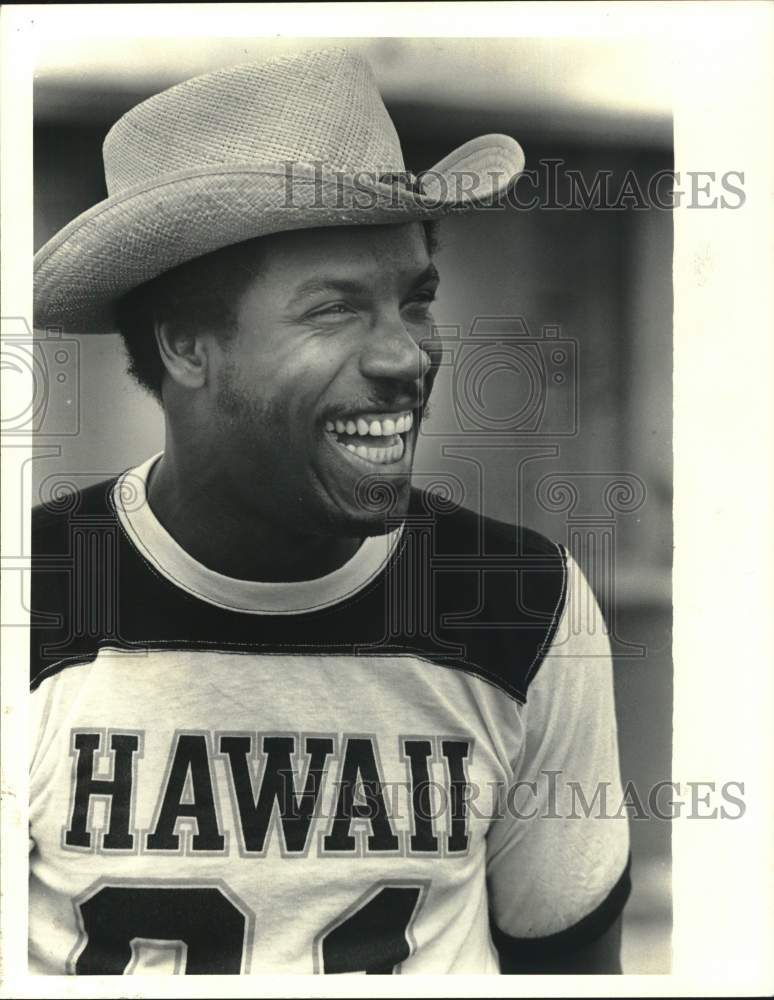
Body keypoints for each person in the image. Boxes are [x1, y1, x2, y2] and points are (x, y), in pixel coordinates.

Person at [30, 47, 631, 975]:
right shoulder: (37, 595)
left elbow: (573, 975)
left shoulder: (519, 603)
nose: (406, 358)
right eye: (335, 310)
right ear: (188, 344)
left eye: (415, 300)